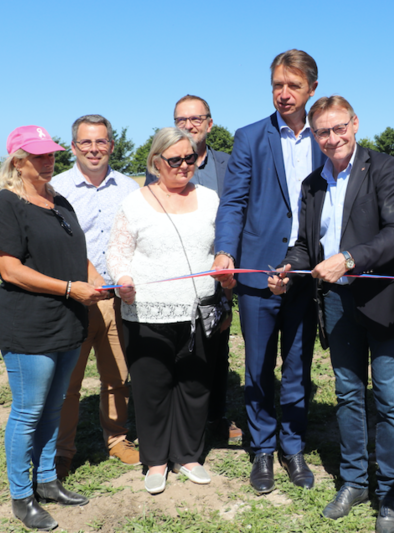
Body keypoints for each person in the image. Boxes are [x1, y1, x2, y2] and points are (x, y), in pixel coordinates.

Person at [271, 95, 394, 533]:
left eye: (339, 128)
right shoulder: (312, 184)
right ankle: (354, 481)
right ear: (314, 135)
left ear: (355, 124)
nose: (332, 138)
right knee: (349, 393)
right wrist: (289, 268)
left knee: (389, 398)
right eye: (322, 132)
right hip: (335, 300)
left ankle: (389, 490)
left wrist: (349, 259)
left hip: (383, 299)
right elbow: (305, 245)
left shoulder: (384, 168)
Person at [213, 49, 324, 493]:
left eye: (294, 85)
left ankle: (292, 446)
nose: (284, 93)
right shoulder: (249, 137)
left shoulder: (326, 136)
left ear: (312, 88)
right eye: (278, 84)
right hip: (258, 274)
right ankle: (262, 448)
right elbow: (234, 201)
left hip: (306, 272)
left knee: (297, 366)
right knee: (258, 366)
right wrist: (225, 251)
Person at [0, 125, 102, 530]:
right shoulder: (6, 204)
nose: (49, 160)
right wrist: (71, 288)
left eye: (51, 153)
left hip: (67, 322)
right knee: (28, 412)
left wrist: (95, 278)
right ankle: (22, 496)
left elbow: (76, 253)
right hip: (29, 327)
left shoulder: (58, 200)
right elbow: (10, 269)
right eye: (38, 155)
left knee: (54, 407)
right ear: (17, 161)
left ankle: (48, 480)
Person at [107, 127, 227, 494]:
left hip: (199, 312)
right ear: (156, 162)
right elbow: (117, 251)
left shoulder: (210, 199)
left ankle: (188, 456)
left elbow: (223, 246)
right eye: (175, 159)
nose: (184, 165)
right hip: (147, 314)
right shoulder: (135, 202)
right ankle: (156, 460)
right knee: (152, 390)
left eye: (190, 158)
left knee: (195, 386)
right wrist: (123, 279)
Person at [145, 95, 241, 445]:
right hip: (178, 274)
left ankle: (216, 416)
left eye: (196, 119)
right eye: (181, 120)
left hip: (221, 272)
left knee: (218, 346)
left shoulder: (229, 164)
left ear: (209, 124)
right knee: (181, 348)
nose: (189, 125)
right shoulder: (158, 166)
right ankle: (179, 420)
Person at [52, 115, 141, 479]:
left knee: (117, 375)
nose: (93, 149)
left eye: (101, 141)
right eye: (85, 142)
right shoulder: (56, 188)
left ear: (111, 146)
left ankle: (117, 439)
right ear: (74, 147)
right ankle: (61, 450)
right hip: (72, 300)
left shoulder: (129, 188)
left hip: (116, 299)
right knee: (66, 383)